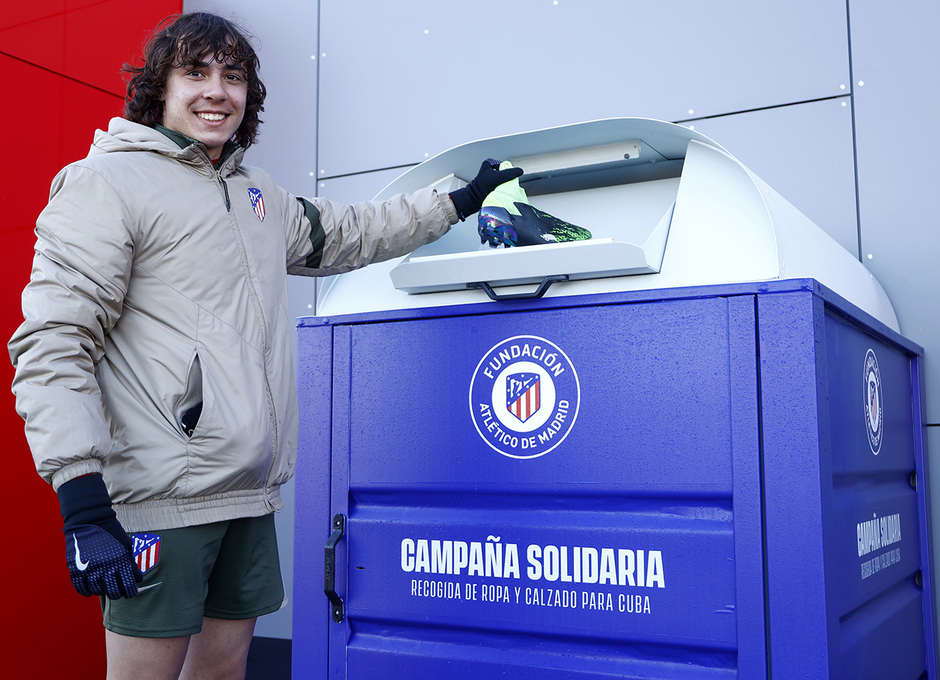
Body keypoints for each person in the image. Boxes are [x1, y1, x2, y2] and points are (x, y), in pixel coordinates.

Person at [8, 12, 521, 680]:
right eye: (195, 72)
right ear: (158, 87)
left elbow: (355, 231)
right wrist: (80, 498)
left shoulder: (257, 197)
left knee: (225, 669)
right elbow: (53, 342)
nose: (216, 91)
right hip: (161, 500)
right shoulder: (106, 183)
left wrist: (461, 199)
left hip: (249, 494)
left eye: (233, 76)